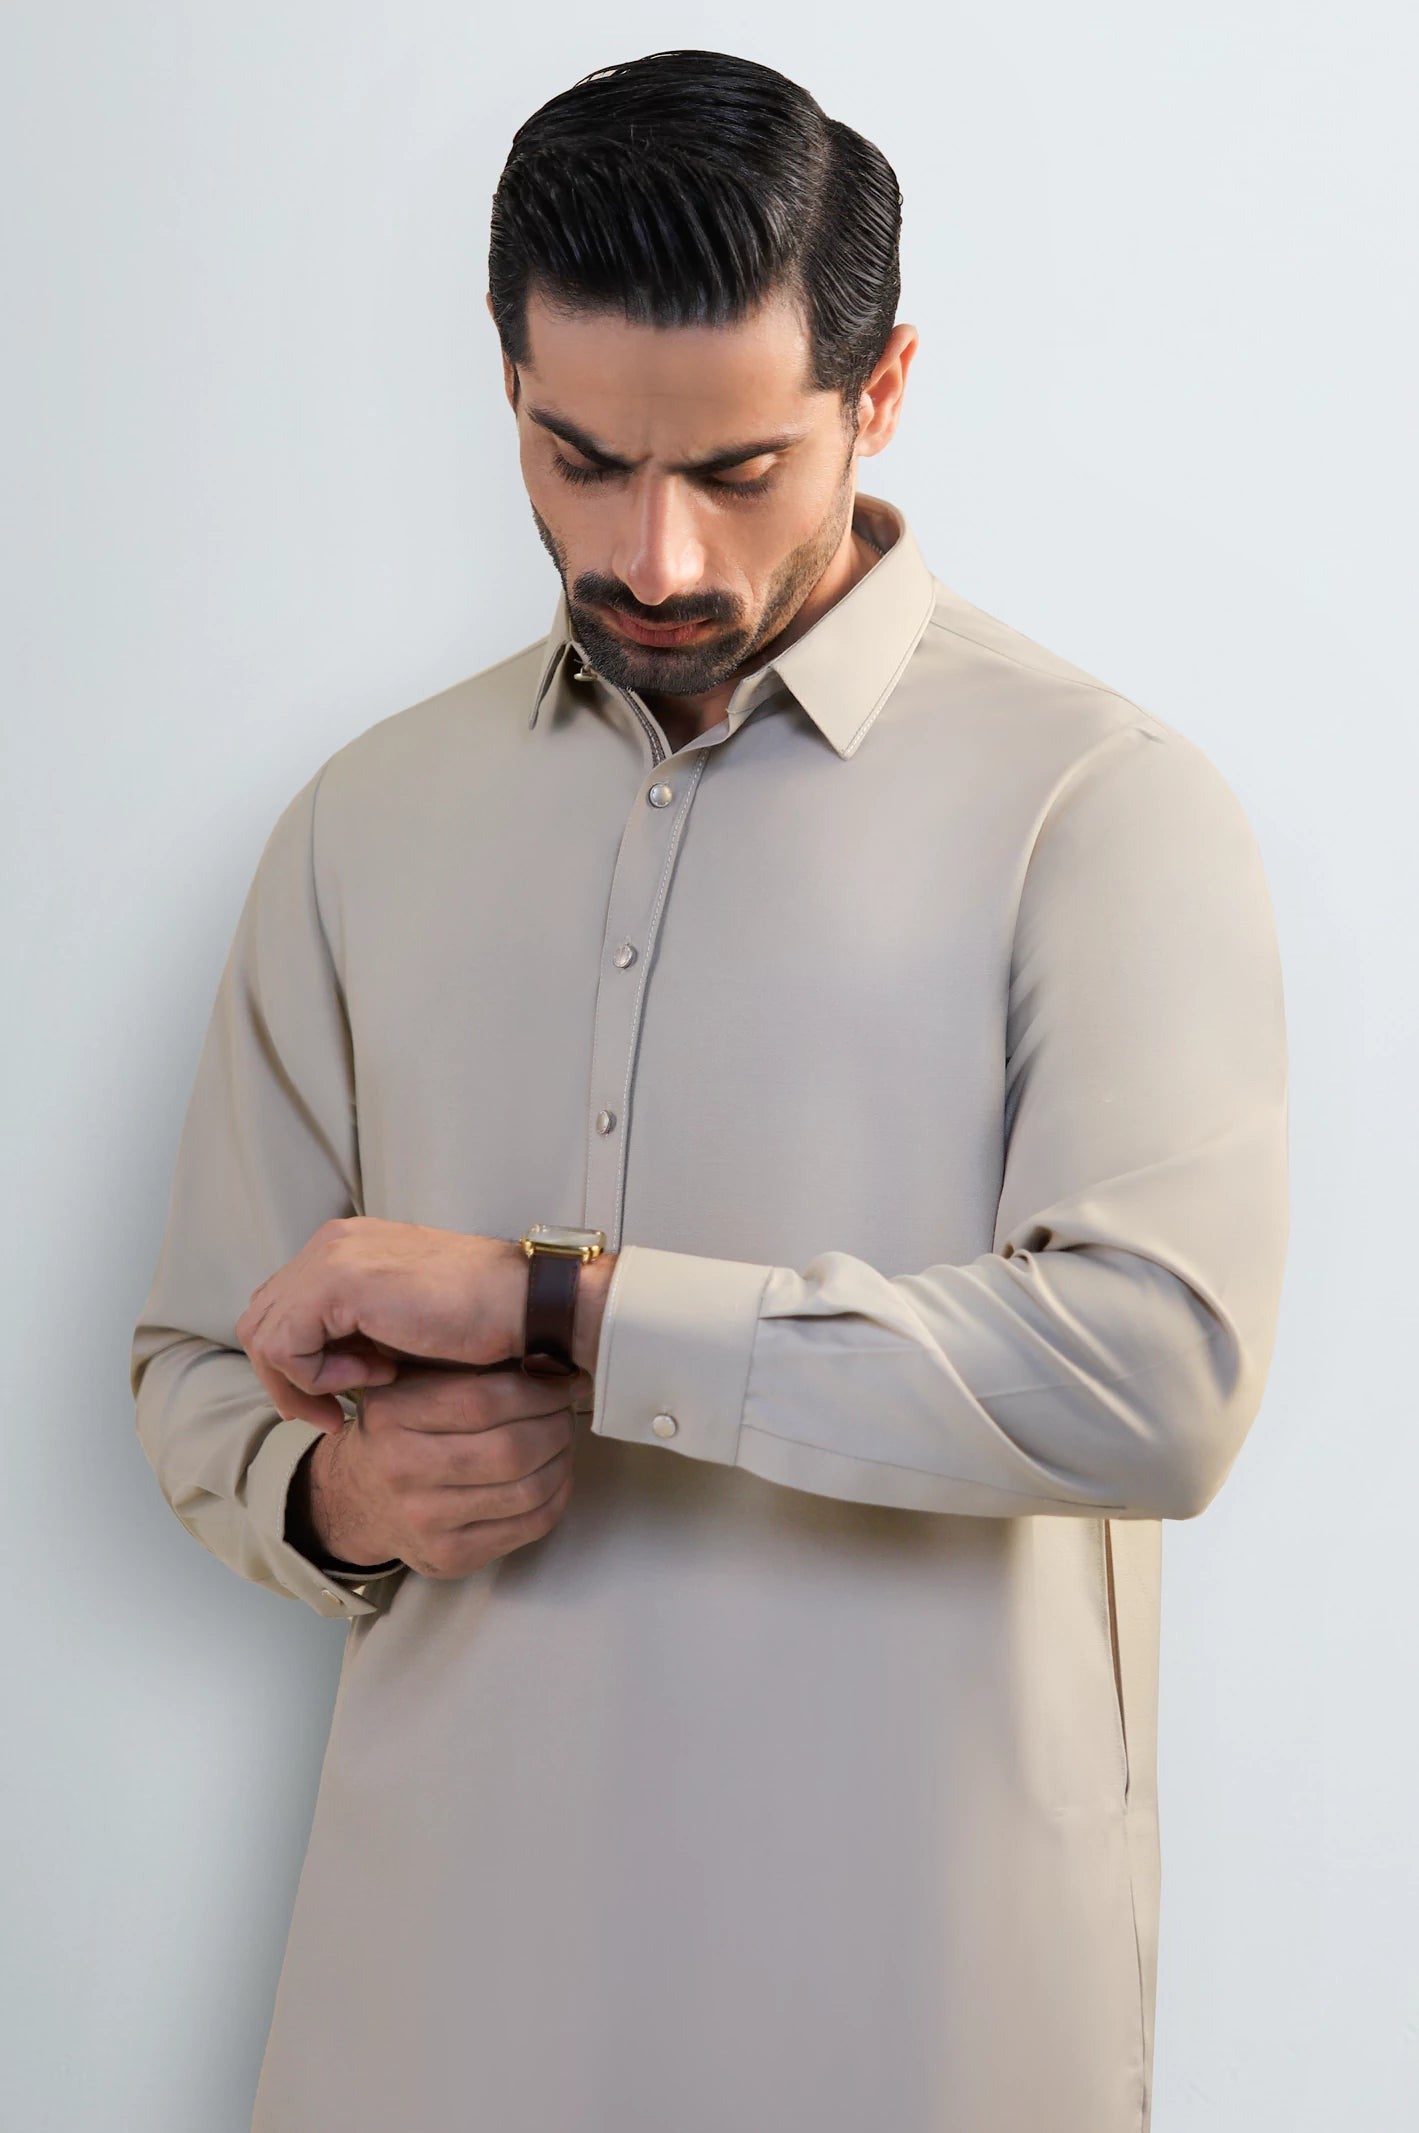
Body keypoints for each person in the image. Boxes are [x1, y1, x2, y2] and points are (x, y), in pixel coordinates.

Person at [129, 47, 1289, 2133]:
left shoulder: (1098, 807)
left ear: (882, 389)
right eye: (577, 458)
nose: (651, 550)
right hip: (430, 2022)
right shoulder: (362, 820)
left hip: (910, 2028)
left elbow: (1159, 1374)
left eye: (739, 469)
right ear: (508, 385)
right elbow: (200, 1358)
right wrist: (340, 1496)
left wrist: (560, 1302)